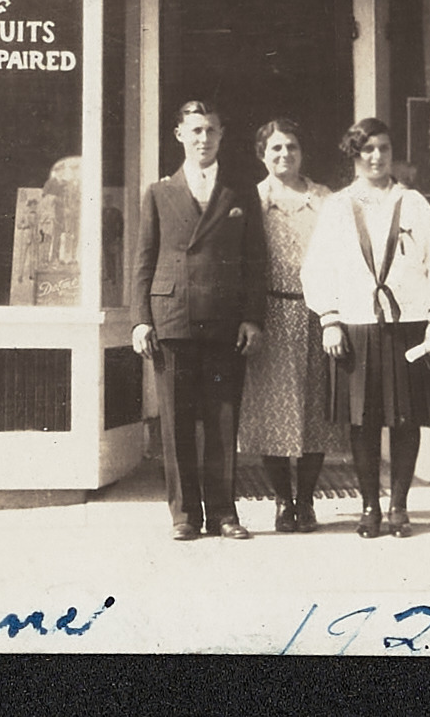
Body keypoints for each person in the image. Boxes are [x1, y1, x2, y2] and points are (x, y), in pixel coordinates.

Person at [302, 117, 430, 539]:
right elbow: (317, 269)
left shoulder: (415, 204)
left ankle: (399, 507)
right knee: (363, 421)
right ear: (354, 154)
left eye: (383, 149)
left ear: (392, 154)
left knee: (406, 420)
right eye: (367, 149)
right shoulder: (337, 207)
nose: (376, 157)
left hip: (408, 324)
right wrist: (330, 320)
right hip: (355, 324)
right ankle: (369, 506)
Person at [131, 101, 268, 541]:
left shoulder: (240, 190)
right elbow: (144, 260)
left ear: (222, 135)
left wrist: (252, 318)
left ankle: (224, 513)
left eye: (210, 130)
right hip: (173, 317)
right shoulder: (159, 192)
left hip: (225, 319)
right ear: (179, 135)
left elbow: (255, 260)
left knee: (223, 419)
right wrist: (140, 320)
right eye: (195, 131)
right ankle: (184, 514)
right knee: (176, 422)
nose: (203, 139)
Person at [238, 119, 349, 533]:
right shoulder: (252, 199)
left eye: (292, 147)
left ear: (303, 152)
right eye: (276, 149)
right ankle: (282, 500)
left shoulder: (324, 199)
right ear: (262, 154)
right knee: (272, 411)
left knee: (316, 411)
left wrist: (335, 313)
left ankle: (307, 500)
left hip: (319, 314)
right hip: (270, 313)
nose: (285, 155)